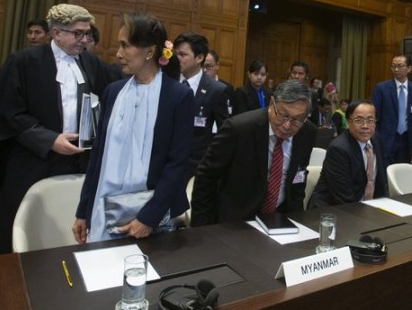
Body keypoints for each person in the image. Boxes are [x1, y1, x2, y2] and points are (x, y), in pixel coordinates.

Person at [0, 4, 120, 290]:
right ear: (56, 32)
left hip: (76, 161)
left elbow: (113, 90)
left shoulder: (91, 63)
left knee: (68, 227)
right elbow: (9, 113)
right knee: (23, 226)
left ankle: (62, 288)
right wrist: (49, 140)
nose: (84, 40)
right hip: (32, 161)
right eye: (78, 34)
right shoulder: (24, 61)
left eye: (87, 34)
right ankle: (12, 291)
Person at [73, 14, 192, 242]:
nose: (118, 54)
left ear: (150, 51)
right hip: (104, 208)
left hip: (152, 215)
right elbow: (97, 156)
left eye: (125, 45)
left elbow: (177, 163)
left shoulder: (178, 96)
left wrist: (149, 218)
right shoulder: (113, 91)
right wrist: (83, 211)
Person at [190, 79, 315, 226]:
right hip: (236, 221)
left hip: (280, 221)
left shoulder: (307, 132)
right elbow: (206, 177)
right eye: (283, 115)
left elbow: (298, 179)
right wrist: (202, 228)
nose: (287, 125)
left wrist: (297, 220)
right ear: (272, 104)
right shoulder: (238, 129)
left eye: (297, 120)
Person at [173, 32, 230, 178]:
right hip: (167, 164)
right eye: (176, 54)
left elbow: (224, 133)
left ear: (199, 58)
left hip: (196, 168)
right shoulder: (168, 82)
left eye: (182, 55)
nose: (177, 58)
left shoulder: (216, 90)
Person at [310, 100, 387, 207]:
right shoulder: (339, 149)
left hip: (366, 207)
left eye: (370, 120)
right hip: (334, 209)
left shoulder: (376, 140)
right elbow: (344, 198)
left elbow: (380, 183)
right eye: (359, 120)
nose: (365, 126)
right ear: (348, 122)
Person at [371, 54, 412, 166]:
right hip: (386, 141)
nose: (396, 69)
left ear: (409, 68)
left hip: (407, 141)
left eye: (400, 66)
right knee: (385, 173)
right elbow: (374, 117)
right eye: (393, 66)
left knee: (403, 173)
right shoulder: (381, 88)